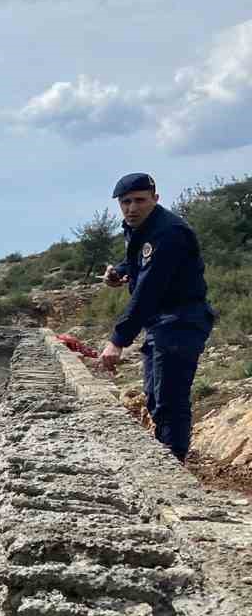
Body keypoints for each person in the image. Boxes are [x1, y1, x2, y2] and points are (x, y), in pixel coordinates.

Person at [97, 172, 214, 460]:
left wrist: (117, 340)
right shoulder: (141, 228)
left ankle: (173, 466)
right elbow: (139, 261)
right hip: (161, 323)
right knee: (155, 396)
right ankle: (168, 457)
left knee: (169, 399)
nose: (132, 208)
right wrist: (121, 272)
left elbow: (148, 292)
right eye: (125, 202)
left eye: (140, 201)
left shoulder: (168, 232)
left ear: (155, 199)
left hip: (180, 321)